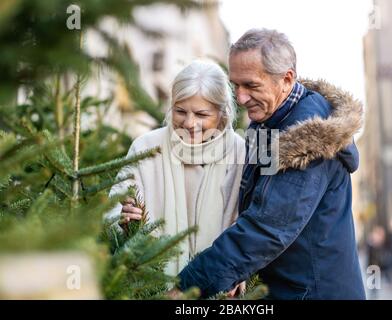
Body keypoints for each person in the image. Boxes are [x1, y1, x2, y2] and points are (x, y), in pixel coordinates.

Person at [175, 29, 366, 299]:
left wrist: (187, 286)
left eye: (251, 85)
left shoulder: (306, 139)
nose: (240, 98)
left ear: (286, 79)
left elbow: (265, 229)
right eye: (235, 85)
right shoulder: (269, 122)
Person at [105, 60, 246, 281]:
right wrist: (122, 221)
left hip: (218, 287)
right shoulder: (146, 147)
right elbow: (112, 210)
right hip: (152, 284)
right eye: (180, 111)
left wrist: (237, 272)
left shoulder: (241, 153)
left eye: (201, 114)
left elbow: (249, 225)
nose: (189, 123)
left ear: (222, 113)